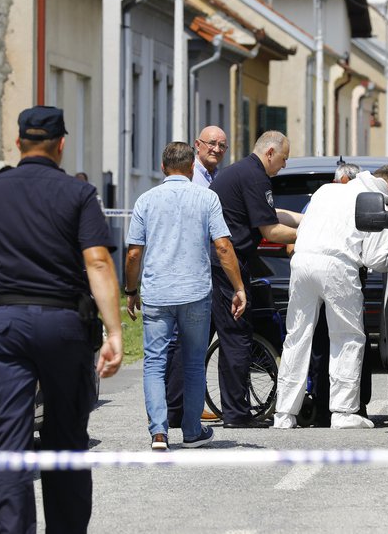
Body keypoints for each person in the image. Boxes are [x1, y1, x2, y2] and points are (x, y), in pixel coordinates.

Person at [0, 105, 123, 534]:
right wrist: (115, 331)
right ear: (61, 144)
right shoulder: (79, 195)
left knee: (8, 442)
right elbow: (98, 262)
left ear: (19, 142)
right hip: (65, 326)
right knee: (66, 441)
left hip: (4, 326)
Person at [124, 142, 246, 450]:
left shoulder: (146, 201)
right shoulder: (207, 198)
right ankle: (192, 431)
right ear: (192, 168)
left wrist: (130, 290)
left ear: (163, 167)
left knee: (154, 362)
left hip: (157, 292)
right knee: (193, 363)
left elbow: (134, 252)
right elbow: (222, 247)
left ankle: (159, 432)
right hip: (195, 292)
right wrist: (238, 287)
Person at [273, 165, 388, 430]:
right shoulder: (374, 202)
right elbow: (374, 258)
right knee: (347, 337)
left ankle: (284, 413)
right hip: (338, 266)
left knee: (297, 337)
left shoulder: (326, 190)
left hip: (302, 262)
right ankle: (343, 411)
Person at [210, 130, 301, 428]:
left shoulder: (242, 171)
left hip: (217, 263)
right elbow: (270, 230)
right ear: (271, 152)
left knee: (205, 340)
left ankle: (177, 410)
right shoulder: (256, 176)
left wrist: (303, 218)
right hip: (228, 264)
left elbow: (269, 214)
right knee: (237, 338)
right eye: (284, 158)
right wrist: (310, 233)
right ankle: (236, 414)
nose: (284, 166)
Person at [166, 126, 230, 427]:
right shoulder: (192, 180)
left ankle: (186, 404)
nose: (216, 149)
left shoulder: (216, 179)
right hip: (191, 268)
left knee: (195, 341)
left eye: (222, 145)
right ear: (197, 145)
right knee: (187, 341)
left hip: (205, 267)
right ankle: (178, 408)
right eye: (211, 144)